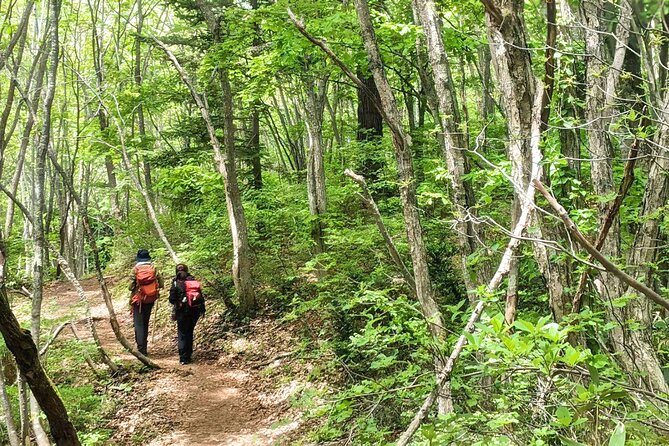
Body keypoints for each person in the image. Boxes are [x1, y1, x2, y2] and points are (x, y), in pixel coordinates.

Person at [128, 249, 163, 355]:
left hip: (138, 299)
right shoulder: (154, 268)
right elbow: (161, 284)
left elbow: (130, 287)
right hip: (150, 298)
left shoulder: (135, 269)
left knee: (138, 324)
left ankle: (141, 348)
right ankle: (144, 347)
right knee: (146, 322)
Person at [169, 264, 205, 365]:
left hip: (182, 311)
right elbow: (200, 296)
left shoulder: (176, 282)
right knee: (190, 331)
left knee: (182, 333)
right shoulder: (193, 280)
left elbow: (172, 299)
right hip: (195, 310)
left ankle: (183, 358)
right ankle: (188, 355)